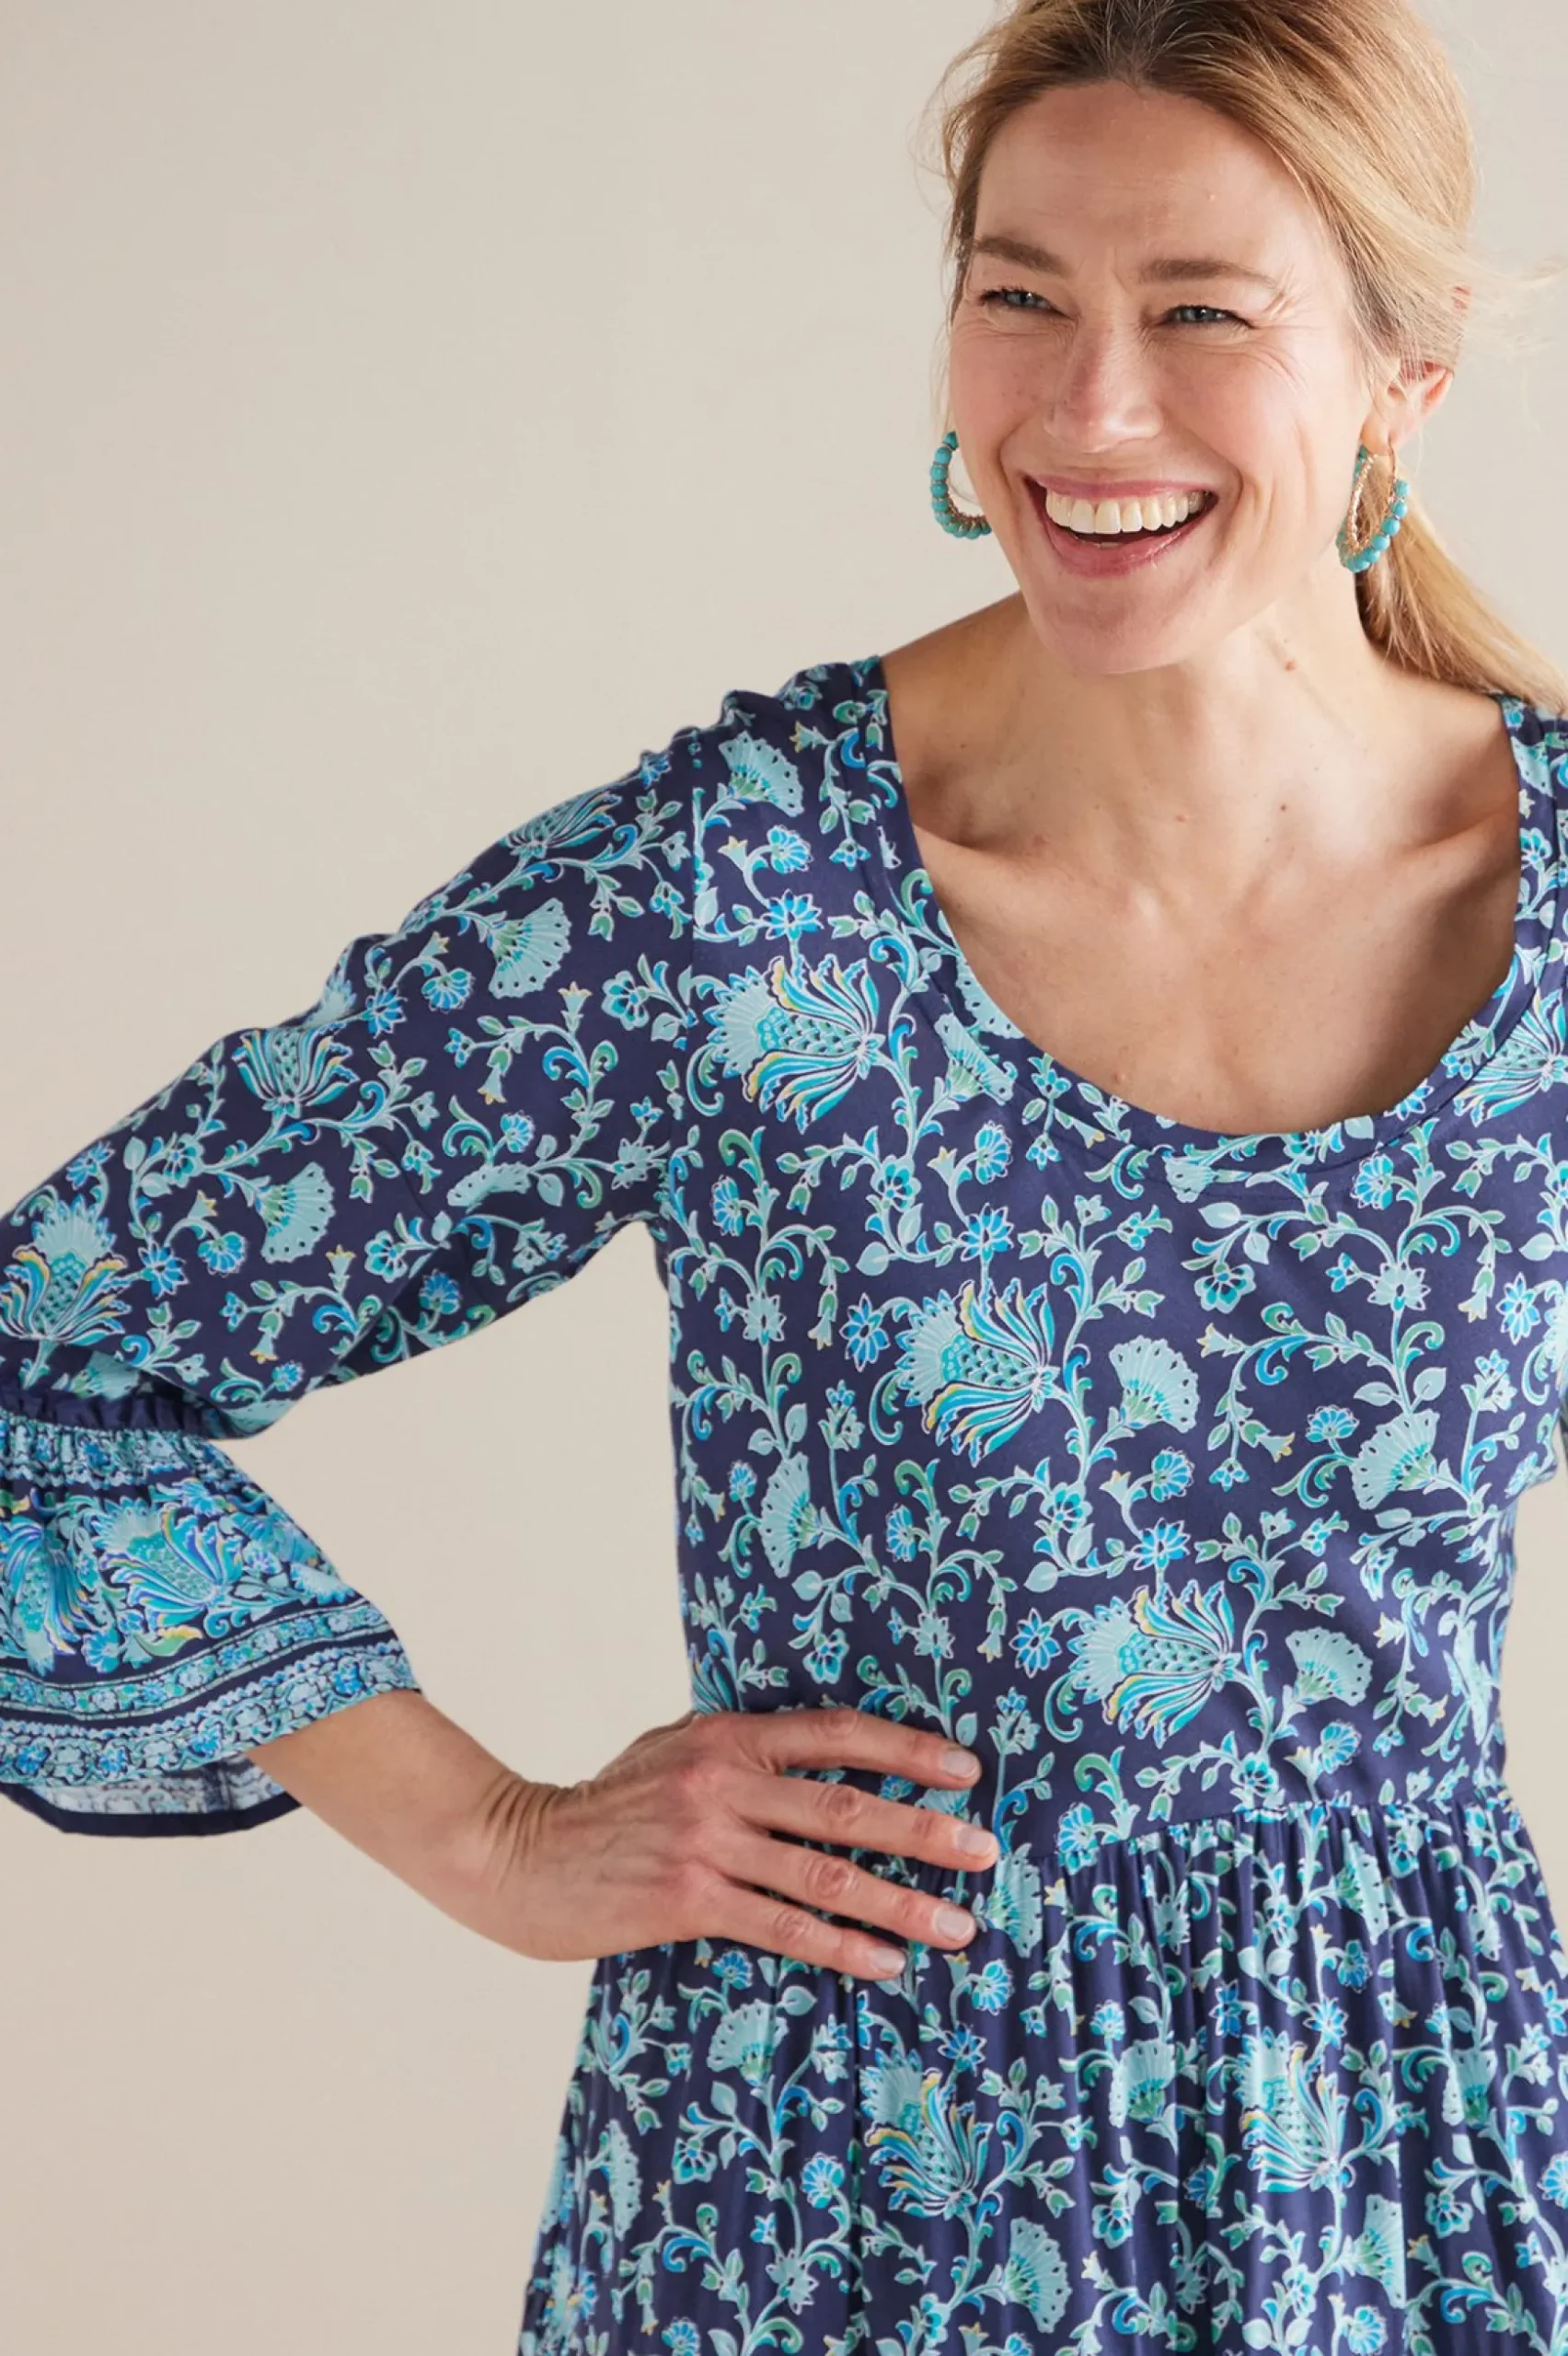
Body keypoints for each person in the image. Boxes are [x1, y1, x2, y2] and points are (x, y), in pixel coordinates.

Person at [6, 0, 1568, 2346]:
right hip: (838, 2195)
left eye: (1200, 313)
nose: (1089, 408)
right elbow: (45, 1356)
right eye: (1021, 291)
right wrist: (488, 1833)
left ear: (1401, 378)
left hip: (1405, 2185)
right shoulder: (734, 896)